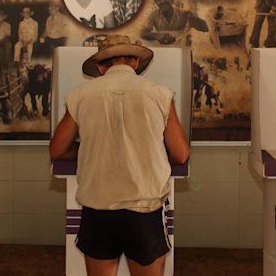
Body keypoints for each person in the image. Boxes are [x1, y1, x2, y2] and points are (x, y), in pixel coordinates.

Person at [49, 35, 189, 276]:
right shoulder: (160, 94)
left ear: (101, 66)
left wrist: (89, 150)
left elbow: (57, 149)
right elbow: (180, 154)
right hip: (145, 207)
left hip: (98, 208)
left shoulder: (80, 95)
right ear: (135, 62)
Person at [140, 0, 208, 45]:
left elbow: (205, 28)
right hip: (164, 48)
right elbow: (142, 32)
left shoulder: (183, 13)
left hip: (180, 48)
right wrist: (159, 36)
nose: (162, 1)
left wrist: (195, 19)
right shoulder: (153, 15)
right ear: (156, 2)